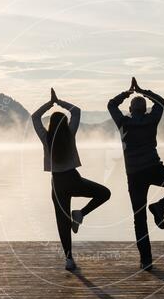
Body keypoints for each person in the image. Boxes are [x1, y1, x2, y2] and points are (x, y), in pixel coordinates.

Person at [108, 77, 164, 271]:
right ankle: (161, 206)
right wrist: (142, 91)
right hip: (155, 169)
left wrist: (128, 93)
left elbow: (111, 104)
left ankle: (146, 261)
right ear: (145, 109)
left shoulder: (123, 123)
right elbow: (161, 101)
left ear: (130, 110)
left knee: (139, 218)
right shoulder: (152, 120)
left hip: (135, 175)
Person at [32, 88, 111, 271]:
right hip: (73, 179)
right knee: (104, 193)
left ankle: (69, 259)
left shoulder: (46, 138)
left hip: (58, 183)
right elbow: (76, 111)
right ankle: (81, 213)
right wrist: (59, 102)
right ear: (65, 123)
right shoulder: (70, 134)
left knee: (62, 221)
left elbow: (35, 117)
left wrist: (49, 103)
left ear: (51, 125)